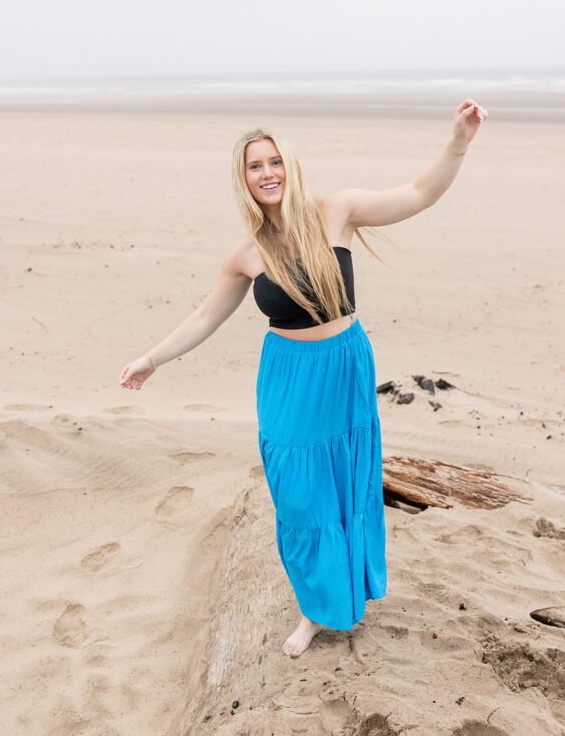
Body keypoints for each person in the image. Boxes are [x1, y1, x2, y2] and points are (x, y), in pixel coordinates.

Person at [118, 99, 488, 657]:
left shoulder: (334, 211)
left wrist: (458, 140)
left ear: (288, 166)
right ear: (243, 180)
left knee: (346, 482)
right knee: (296, 494)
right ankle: (316, 606)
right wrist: (152, 359)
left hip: (344, 364)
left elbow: (418, 194)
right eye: (254, 166)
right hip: (289, 377)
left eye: (274, 162)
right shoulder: (244, 254)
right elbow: (203, 317)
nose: (267, 173)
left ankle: (335, 599)